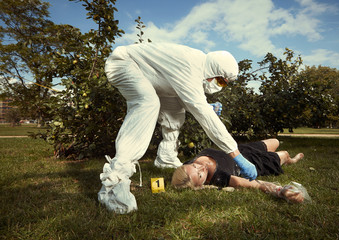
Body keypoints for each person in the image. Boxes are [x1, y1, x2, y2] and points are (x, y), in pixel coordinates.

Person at [98, 42, 257, 214]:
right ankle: (114, 180)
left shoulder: (198, 66)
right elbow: (205, 116)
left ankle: (166, 157)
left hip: (149, 74)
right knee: (147, 103)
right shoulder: (191, 67)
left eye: (223, 84)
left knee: (175, 110)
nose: (218, 85)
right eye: (220, 80)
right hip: (124, 63)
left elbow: (187, 100)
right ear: (213, 71)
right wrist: (236, 154)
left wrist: (205, 105)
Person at [171, 138, 309, 203]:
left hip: (239, 151)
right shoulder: (219, 177)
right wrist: (281, 191)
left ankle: (282, 158)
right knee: (284, 154)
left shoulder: (187, 167)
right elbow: (254, 184)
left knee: (275, 141)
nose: (202, 167)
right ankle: (291, 160)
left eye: (195, 166)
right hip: (253, 162)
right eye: (201, 175)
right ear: (202, 184)